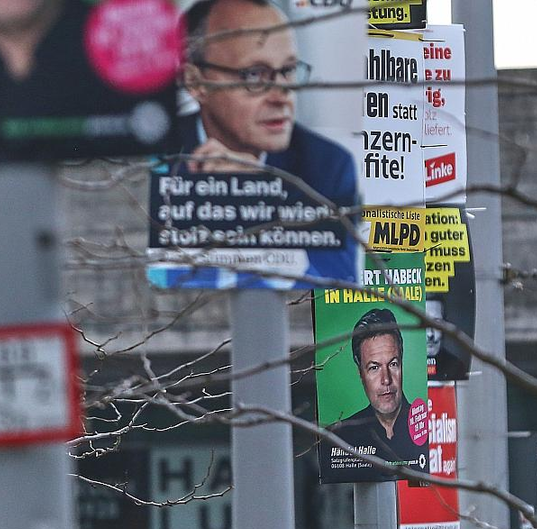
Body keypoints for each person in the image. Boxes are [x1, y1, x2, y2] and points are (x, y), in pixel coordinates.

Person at [177, 0, 359, 281]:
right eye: (254, 75)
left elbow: (335, 283)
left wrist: (260, 192)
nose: (281, 96)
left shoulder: (328, 167)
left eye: (287, 70)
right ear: (196, 82)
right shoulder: (160, 157)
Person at [327, 308, 426, 476]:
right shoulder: (338, 437)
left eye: (393, 364)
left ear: (402, 364)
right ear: (361, 374)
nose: (386, 379)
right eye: (374, 368)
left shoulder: (428, 428)